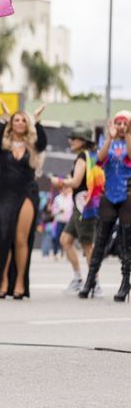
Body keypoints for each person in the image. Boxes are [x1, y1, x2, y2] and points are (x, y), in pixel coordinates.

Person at [0, 103, 47, 299]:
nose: (20, 122)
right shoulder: (2, 146)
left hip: (27, 192)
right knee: (4, 237)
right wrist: (3, 118)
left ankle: (20, 280)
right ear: (11, 124)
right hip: (4, 194)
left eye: (23, 120)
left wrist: (37, 121)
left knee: (21, 238)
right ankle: (3, 281)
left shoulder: (33, 146)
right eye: (16, 120)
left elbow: (43, 143)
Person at [79, 111, 131, 301]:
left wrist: (129, 135)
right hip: (108, 193)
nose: (121, 126)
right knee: (100, 238)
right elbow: (99, 160)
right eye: (119, 123)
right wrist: (109, 138)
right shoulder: (106, 140)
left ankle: (125, 283)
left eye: (125, 123)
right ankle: (90, 280)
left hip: (127, 194)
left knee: (127, 242)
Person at [51, 125, 99, 293]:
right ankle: (78, 278)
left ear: (82, 141)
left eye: (74, 138)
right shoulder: (90, 155)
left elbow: (77, 182)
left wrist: (60, 181)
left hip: (84, 206)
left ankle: (94, 282)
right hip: (84, 205)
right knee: (65, 239)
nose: (70, 141)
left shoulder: (82, 157)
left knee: (87, 245)